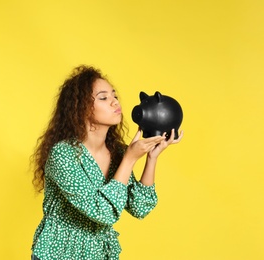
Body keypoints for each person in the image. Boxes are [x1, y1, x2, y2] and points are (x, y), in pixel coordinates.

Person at [30, 65, 183, 260]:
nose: (114, 102)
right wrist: (129, 159)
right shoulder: (63, 155)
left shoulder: (117, 151)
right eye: (103, 98)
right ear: (81, 108)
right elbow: (102, 212)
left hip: (98, 254)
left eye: (114, 96)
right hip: (59, 253)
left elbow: (140, 207)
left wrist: (152, 157)